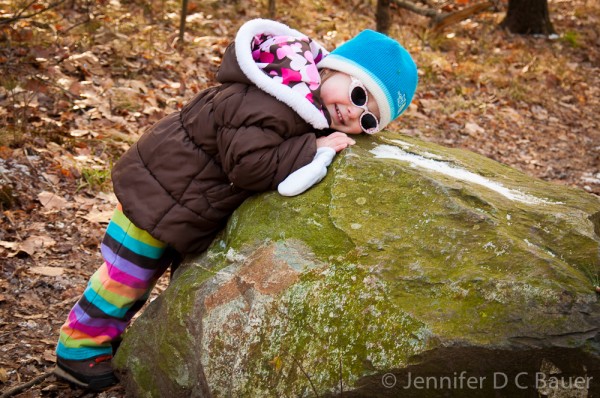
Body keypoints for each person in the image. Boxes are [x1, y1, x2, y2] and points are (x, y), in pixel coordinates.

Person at [53, 18, 418, 390]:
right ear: (332, 68)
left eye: (369, 119)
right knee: (124, 277)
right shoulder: (274, 98)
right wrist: (312, 148)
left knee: (138, 277)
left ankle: (102, 341)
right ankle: (78, 350)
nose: (353, 114)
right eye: (359, 96)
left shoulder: (304, 101)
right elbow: (248, 166)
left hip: (181, 200)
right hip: (160, 190)